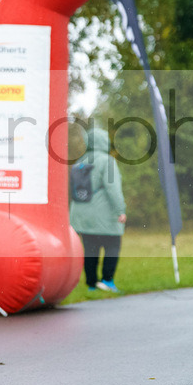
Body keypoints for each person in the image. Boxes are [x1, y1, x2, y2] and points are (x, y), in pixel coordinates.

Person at [69, 125, 127, 293]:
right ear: (104, 142)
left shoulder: (80, 162)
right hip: (104, 214)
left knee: (90, 248)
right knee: (113, 245)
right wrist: (120, 210)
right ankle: (107, 281)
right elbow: (112, 188)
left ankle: (91, 284)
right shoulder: (107, 161)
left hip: (82, 215)